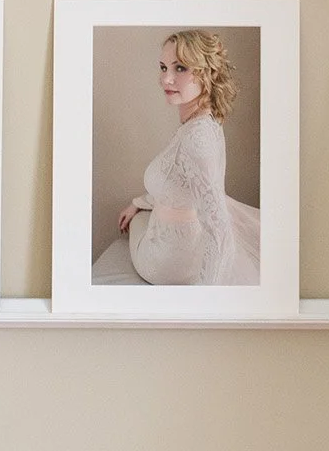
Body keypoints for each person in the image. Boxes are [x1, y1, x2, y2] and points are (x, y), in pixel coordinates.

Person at [110, 31, 260, 285]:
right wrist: (138, 202)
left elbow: (219, 229)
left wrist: (204, 299)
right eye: (163, 67)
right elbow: (178, 184)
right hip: (182, 249)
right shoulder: (205, 123)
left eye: (180, 68)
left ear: (206, 73)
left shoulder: (197, 139)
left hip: (167, 264)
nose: (165, 79)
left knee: (138, 223)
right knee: (140, 215)